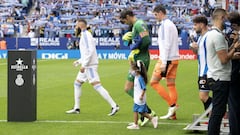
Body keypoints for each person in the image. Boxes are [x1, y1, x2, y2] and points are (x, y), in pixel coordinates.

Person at [66, 19, 119, 116]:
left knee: (97, 86)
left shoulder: (86, 35)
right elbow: (87, 52)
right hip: (88, 64)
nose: (75, 27)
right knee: (77, 84)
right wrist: (79, 61)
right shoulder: (85, 35)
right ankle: (76, 108)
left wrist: (84, 65)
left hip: (89, 66)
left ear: (80, 26)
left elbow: (90, 51)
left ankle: (114, 105)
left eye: (76, 25)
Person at [205, 8, 240, 135]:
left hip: (217, 76)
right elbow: (224, 59)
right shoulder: (217, 36)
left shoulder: (214, 34)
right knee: (218, 113)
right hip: (220, 77)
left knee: (218, 111)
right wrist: (235, 48)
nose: (227, 21)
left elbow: (225, 54)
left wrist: (233, 46)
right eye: (225, 18)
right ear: (220, 18)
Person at [119, 9, 156, 126]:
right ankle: (146, 112)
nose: (125, 23)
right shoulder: (136, 26)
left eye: (124, 21)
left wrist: (135, 46)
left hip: (141, 59)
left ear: (128, 16)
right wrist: (132, 42)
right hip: (138, 58)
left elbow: (146, 40)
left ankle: (147, 112)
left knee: (130, 87)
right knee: (129, 88)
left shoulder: (139, 24)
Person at [150, 5, 179, 120]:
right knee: (171, 84)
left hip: (167, 59)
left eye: (156, 15)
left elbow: (165, 44)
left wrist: (163, 63)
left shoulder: (164, 25)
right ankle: (173, 115)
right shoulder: (171, 24)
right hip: (174, 58)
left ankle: (172, 105)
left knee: (153, 82)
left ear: (161, 13)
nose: (155, 17)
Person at [190, 16, 212, 114]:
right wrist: (194, 49)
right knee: (203, 97)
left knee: (203, 96)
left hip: (207, 71)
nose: (194, 27)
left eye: (195, 25)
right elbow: (199, 53)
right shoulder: (200, 38)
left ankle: (218, 114)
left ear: (202, 24)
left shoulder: (209, 36)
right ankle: (213, 117)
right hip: (201, 71)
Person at [127, 60, 158, 130]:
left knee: (135, 110)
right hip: (138, 97)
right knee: (141, 112)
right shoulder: (137, 76)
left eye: (133, 69)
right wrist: (131, 63)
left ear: (137, 70)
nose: (132, 71)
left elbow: (144, 88)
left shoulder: (140, 78)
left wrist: (141, 96)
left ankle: (135, 125)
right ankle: (152, 119)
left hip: (140, 98)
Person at [227, 11, 240, 135]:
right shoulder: (231, 35)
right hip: (234, 74)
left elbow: (226, 55)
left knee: (234, 107)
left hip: (234, 75)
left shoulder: (231, 35)